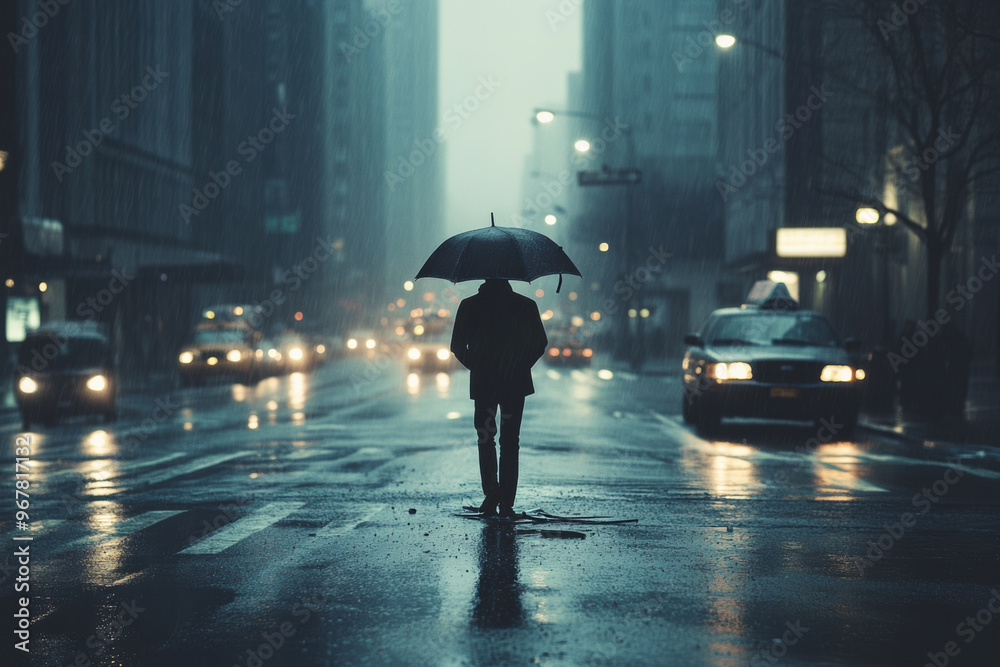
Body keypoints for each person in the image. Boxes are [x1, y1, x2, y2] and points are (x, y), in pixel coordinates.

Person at [450, 279, 547, 518]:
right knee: (510, 440)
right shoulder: (525, 305)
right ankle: (506, 501)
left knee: (485, 438)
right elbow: (540, 342)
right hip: (515, 383)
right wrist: (520, 364)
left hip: (484, 384)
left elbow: (457, 346)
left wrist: (479, 366)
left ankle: (492, 493)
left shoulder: (469, 305)